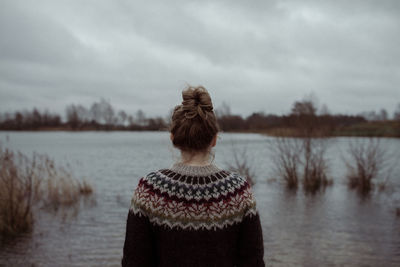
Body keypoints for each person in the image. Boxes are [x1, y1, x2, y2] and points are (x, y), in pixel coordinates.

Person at [122, 86, 265, 267]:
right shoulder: (239, 191)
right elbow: (253, 262)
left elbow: (133, 262)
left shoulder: (149, 190)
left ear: (173, 138)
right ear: (214, 139)